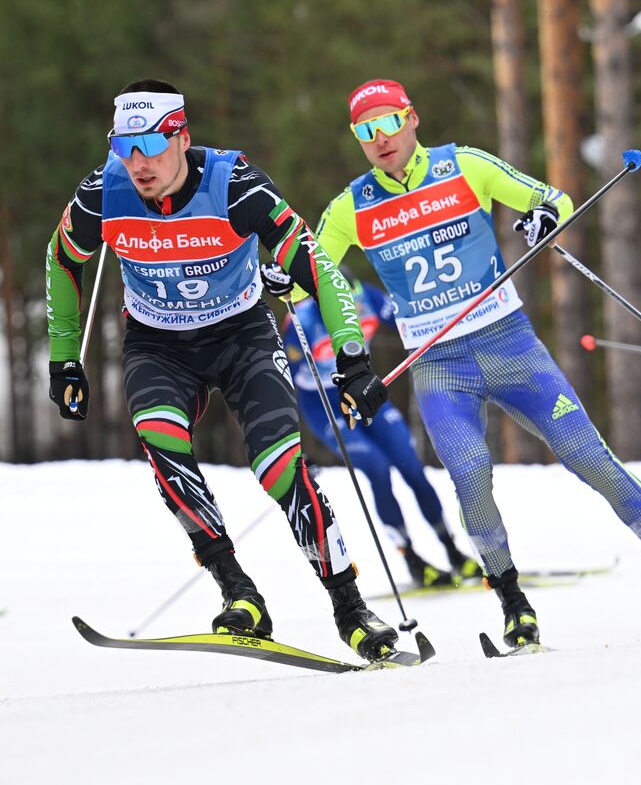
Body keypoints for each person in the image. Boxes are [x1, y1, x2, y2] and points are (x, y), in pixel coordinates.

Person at [281, 78, 641, 649]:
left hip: (509, 344)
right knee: (470, 474)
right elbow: (311, 276)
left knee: (588, 455)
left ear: (412, 119)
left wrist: (544, 218)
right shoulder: (350, 208)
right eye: (365, 130)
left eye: (389, 122)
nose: (379, 138)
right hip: (438, 366)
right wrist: (282, 282)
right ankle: (514, 604)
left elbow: (553, 199)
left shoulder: (462, 165)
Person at [45, 80, 399, 660]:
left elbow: (315, 265)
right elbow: (62, 260)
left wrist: (352, 355)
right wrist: (65, 356)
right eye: (123, 147)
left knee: (279, 466)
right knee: (163, 447)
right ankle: (240, 593)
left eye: (150, 146)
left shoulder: (234, 186)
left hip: (241, 336)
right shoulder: (102, 193)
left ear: (181, 136)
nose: (138, 164)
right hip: (157, 343)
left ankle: (351, 608)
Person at [274, 268, 483, 587]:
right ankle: (412, 558)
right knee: (377, 467)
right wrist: (295, 449)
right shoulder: (302, 321)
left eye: (354, 301)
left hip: (361, 390)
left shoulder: (365, 295)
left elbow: (406, 320)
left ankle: (453, 550)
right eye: (342, 304)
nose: (354, 309)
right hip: (324, 404)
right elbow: (280, 382)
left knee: (411, 466)